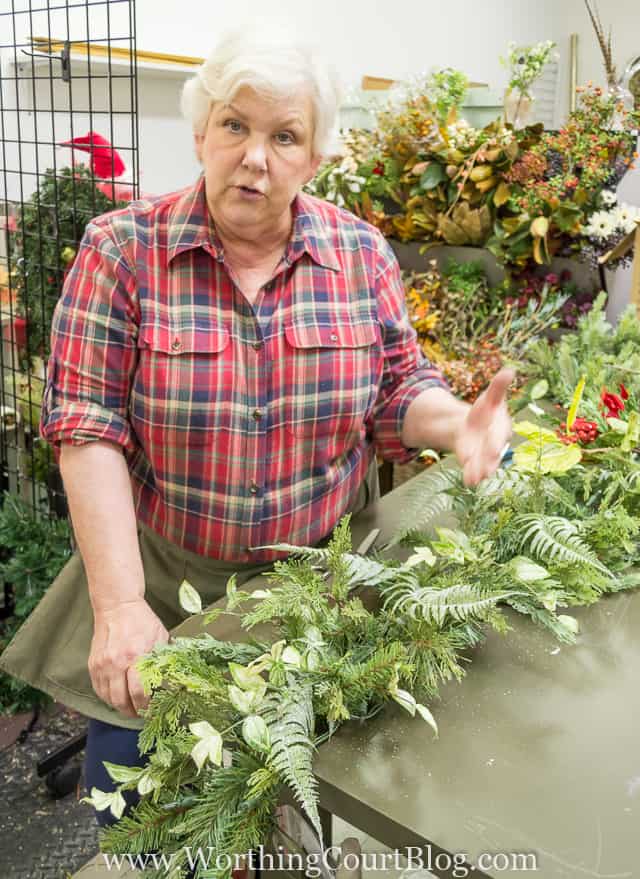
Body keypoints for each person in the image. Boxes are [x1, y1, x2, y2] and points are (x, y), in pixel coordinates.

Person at [0, 23, 513, 827]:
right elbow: (87, 426)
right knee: (149, 829)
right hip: (163, 599)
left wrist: (455, 425)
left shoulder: (359, 253)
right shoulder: (121, 251)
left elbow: (394, 388)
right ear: (200, 129)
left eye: (285, 136)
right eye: (235, 125)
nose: (255, 156)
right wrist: (120, 602)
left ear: (313, 158)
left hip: (316, 602)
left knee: (299, 820)